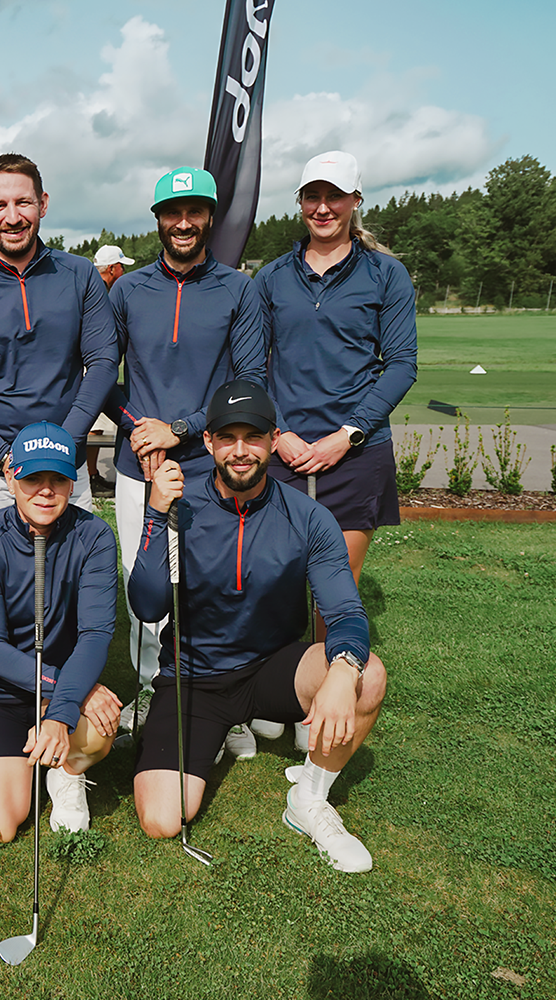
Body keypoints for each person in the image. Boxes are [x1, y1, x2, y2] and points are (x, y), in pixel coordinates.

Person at [129, 380, 387, 873]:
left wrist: (342, 671)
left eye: (253, 437)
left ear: (273, 439)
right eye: (227, 437)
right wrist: (156, 515)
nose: (241, 451)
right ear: (208, 441)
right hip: (195, 677)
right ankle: (211, 736)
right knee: (162, 819)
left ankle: (308, 800)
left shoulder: (309, 516)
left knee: (367, 675)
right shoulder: (179, 503)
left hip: (272, 668)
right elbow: (145, 604)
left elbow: (346, 612)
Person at [253, 150, 416, 750]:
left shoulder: (386, 275)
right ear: (300, 202)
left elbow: (401, 366)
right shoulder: (272, 277)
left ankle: (325, 697)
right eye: (312, 196)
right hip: (285, 450)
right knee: (272, 581)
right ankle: (274, 691)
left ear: (355, 201)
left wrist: (346, 435)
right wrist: (279, 433)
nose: (323, 208)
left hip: (356, 454)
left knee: (334, 586)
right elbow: (252, 364)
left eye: (335, 196)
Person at [105, 168, 266, 749]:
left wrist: (179, 430)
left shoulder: (238, 289)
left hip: (212, 466)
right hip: (140, 467)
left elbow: (249, 381)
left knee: (213, 587)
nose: (183, 222)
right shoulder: (127, 290)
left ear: (210, 218)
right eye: (172, 212)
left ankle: (223, 700)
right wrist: (141, 431)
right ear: (158, 220)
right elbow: (100, 377)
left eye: (194, 211)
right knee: (143, 585)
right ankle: (153, 689)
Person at [0, 152, 120, 528]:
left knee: (71, 566)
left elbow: (103, 363)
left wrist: (65, 445)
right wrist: (2, 456)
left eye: (23, 202)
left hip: (67, 466)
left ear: (43, 204)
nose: (13, 217)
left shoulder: (80, 274)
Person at [0, 423, 120, 840]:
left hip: (61, 692)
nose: (46, 491)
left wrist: (61, 711)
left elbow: (95, 634)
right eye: (33, 478)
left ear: (72, 483)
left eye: (58, 479)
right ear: (12, 478)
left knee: (99, 729)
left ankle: (67, 772)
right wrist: (69, 687)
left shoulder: (95, 536)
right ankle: (32, 748)